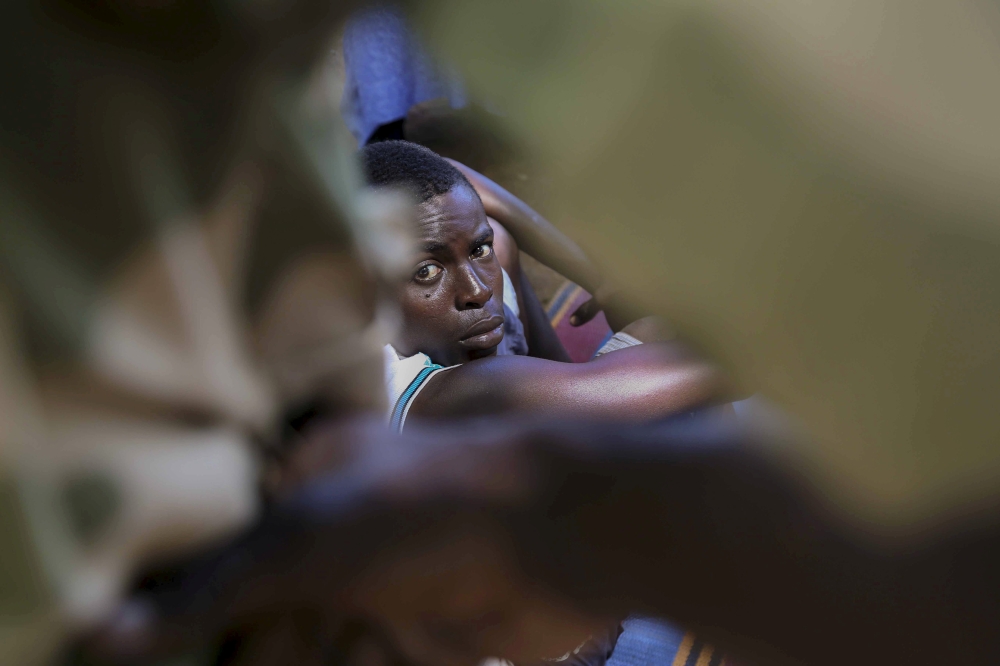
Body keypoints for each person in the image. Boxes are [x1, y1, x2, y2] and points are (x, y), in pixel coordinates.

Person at [361, 141, 730, 432]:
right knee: (665, 345)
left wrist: (597, 278)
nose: (477, 291)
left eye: (478, 249)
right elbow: (614, 394)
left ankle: (558, 374)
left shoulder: (488, 256)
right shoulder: (407, 388)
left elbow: (450, 177)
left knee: (500, 242)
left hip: (549, 401)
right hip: (501, 489)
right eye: (426, 272)